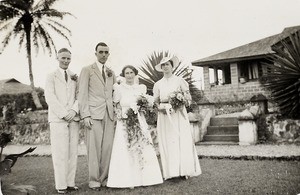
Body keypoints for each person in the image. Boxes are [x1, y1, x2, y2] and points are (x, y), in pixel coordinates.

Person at [107, 65, 163, 188]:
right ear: (123, 75)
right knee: (126, 147)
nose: (130, 75)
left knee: (142, 146)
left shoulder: (141, 88)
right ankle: (126, 180)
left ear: (135, 73)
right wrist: (119, 113)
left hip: (139, 119)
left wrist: (143, 107)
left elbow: (146, 104)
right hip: (125, 120)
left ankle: (146, 179)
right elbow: (116, 104)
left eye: (132, 72)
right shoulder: (119, 88)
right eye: (127, 73)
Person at [153, 56, 202, 180]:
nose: (165, 67)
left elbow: (188, 98)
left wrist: (179, 103)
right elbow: (156, 101)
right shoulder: (158, 84)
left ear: (172, 66)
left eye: (167, 64)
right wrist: (160, 108)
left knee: (180, 139)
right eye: (163, 65)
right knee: (167, 140)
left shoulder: (180, 81)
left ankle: (184, 170)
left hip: (178, 114)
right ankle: (170, 172)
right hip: (164, 115)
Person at [77, 42, 116, 190]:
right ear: (95, 53)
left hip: (109, 114)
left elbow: (112, 93)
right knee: (93, 149)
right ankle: (94, 181)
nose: (104, 55)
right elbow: (82, 94)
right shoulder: (87, 70)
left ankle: (104, 178)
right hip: (93, 114)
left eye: (106, 52)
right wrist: (85, 115)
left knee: (107, 148)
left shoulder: (111, 72)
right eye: (101, 52)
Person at [45, 48, 80, 194]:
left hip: (73, 119)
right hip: (58, 119)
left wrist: (73, 110)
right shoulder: (51, 76)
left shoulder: (74, 76)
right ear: (57, 58)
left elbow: (79, 95)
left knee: (73, 152)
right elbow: (50, 97)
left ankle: (70, 183)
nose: (65, 61)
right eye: (63, 58)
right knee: (60, 153)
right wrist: (64, 114)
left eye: (68, 58)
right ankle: (61, 185)